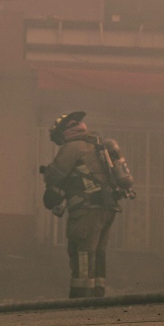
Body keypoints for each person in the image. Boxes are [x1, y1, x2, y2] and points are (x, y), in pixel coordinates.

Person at [41, 111, 121, 298]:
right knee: (98, 251)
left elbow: (55, 175)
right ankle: (97, 293)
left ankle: (81, 295)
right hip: (106, 206)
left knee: (82, 250)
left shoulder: (73, 146)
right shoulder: (95, 143)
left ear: (66, 132)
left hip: (87, 209)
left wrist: (48, 173)